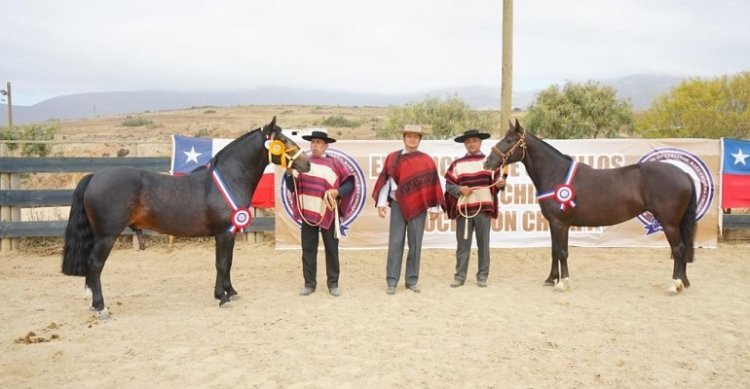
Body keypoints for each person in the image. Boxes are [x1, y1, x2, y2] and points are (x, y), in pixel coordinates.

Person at [372, 124, 445, 295]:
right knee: (395, 242)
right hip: (397, 205)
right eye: (409, 135)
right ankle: (392, 281)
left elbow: (431, 185)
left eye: (416, 136)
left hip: (419, 206)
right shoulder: (393, 158)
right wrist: (382, 203)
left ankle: (411, 281)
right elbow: (387, 181)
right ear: (403, 138)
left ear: (420, 139)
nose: (412, 139)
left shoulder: (426, 160)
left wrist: (434, 208)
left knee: (415, 243)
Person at [285, 131, 354, 297]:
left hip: (329, 212)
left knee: (331, 249)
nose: (315, 145)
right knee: (308, 248)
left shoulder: (335, 163)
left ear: (326, 145)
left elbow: (350, 183)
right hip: (308, 212)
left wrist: (338, 192)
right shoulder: (302, 163)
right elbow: (292, 187)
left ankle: (333, 283)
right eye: (313, 142)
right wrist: (288, 173)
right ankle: (309, 283)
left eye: (319, 142)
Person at [444, 129, 506, 288]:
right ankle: (459, 277)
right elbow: (449, 185)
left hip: (483, 209)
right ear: (465, 144)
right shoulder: (457, 164)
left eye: (474, 141)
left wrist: (500, 184)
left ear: (480, 142)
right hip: (464, 210)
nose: (471, 144)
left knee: (483, 244)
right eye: (468, 141)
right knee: (462, 245)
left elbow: (497, 182)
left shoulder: (490, 161)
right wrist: (459, 189)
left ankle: (482, 276)